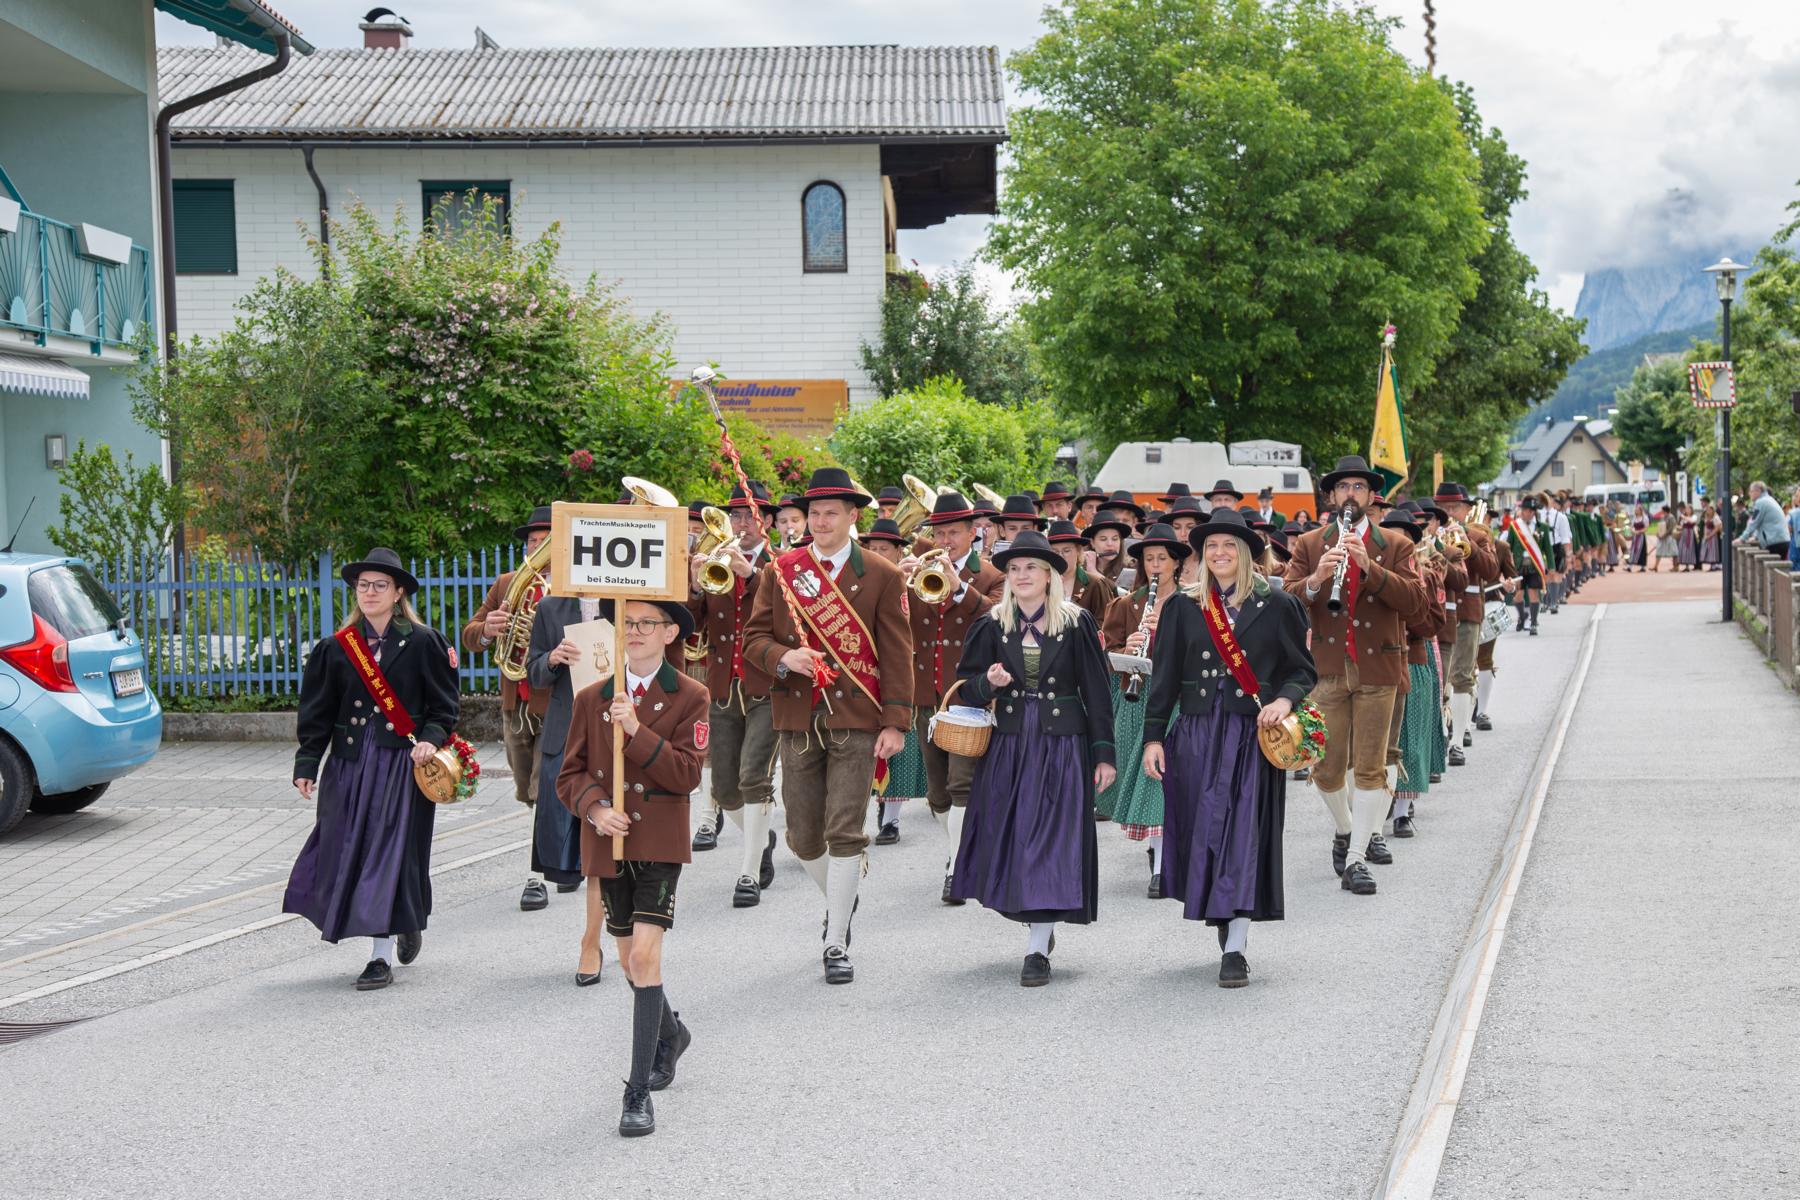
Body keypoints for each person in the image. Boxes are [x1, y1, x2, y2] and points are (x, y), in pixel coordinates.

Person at [742, 467, 914, 985]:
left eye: (829, 513)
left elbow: (896, 653)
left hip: (858, 721)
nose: (819, 521)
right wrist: (784, 656)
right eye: (813, 513)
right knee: (801, 837)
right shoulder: (782, 569)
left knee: (845, 830)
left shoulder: (883, 575)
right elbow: (751, 640)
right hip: (797, 720)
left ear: (852, 517)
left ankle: (835, 939)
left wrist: (897, 722)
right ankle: (842, 899)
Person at [556, 598, 708, 1138]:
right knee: (627, 961)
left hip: (660, 841)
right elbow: (568, 774)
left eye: (648, 623)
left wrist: (637, 730)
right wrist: (594, 807)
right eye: (628, 623)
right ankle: (672, 1034)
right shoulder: (591, 695)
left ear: (670, 634)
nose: (636, 632)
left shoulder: (691, 695)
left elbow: (687, 774)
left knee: (645, 955)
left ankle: (637, 1091)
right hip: (609, 844)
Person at [1143, 510, 1314, 986]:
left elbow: (1301, 670)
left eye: (1228, 546)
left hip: (1249, 735)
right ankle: (1222, 916)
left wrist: (1283, 700)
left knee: (1243, 834)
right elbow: (1162, 681)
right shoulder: (1182, 607)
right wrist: (1153, 738)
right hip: (1196, 735)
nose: (1218, 554)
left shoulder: (1277, 604)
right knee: (1205, 832)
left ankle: (1236, 944)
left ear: (1245, 552)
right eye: (1211, 546)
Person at [286, 548, 459, 990]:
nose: (369, 592)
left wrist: (429, 741)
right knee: (349, 849)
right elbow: (317, 713)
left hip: (401, 766)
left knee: (389, 852)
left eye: (379, 585)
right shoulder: (336, 648)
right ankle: (401, 921)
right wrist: (308, 762)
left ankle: (380, 955)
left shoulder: (424, 642)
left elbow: (443, 708)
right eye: (363, 585)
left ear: (398, 592)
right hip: (349, 764)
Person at [950, 531, 1116, 986]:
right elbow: (965, 687)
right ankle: (1034, 923)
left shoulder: (1076, 622)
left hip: (1062, 743)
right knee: (1015, 836)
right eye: (1015, 569)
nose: (1022, 576)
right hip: (1008, 745)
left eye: (1032, 568)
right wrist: (990, 682)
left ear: (1049, 575)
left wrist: (1105, 754)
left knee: (1052, 838)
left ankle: (1037, 947)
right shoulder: (990, 625)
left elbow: (1098, 692)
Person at [1281, 456, 1426, 896]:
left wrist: (1371, 568)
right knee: (1325, 769)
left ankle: (1358, 857)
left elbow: (1416, 604)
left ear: (1370, 496)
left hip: (1378, 667)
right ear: (1331, 497)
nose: (1350, 495)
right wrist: (1315, 578)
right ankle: (1346, 830)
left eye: (1359, 488)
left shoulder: (1396, 544)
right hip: (1326, 669)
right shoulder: (1309, 543)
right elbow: (1284, 599)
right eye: (1343, 488)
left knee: (1369, 767)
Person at [900, 492, 1007, 901]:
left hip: (969, 694)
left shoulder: (992, 575)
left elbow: (997, 617)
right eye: (940, 532)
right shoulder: (917, 572)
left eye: (954, 532)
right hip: (927, 692)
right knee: (938, 791)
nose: (946, 540)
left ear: (973, 533)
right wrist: (899, 579)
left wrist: (959, 585)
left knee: (963, 786)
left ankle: (956, 866)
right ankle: (963, 851)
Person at [686, 481, 782, 904]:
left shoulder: (783, 564)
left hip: (768, 686)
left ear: (769, 522)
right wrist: (692, 586)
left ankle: (747, 874)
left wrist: (752, 574)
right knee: (724, 790)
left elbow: (792, 615)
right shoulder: (715, 562)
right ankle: (762, 839)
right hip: (724, 686)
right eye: (736, 516)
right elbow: (690, 628)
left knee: (753, 779)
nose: (742, 523)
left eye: (750, 515)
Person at [462, 506, 559, 912]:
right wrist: (487, 629)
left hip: (555, 700)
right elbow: (470, 634)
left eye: (545, 542)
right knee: (527, 789)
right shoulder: (506, 584)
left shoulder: (574, 585)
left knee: (543, 783)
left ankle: (535, 876)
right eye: (532, 543)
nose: (536, 548)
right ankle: (563, 852)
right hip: (514, 700)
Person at [1099, 523, 1189, 894]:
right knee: (1143, 775)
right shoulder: (1125, 604)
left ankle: (1163, 862)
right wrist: (1129, 647)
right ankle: (1158, 851)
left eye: (1162, 559)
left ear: (1176, 564)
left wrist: (1165, 634)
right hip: (1136, 695)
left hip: (1177, 698)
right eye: (1148, 559)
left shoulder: (1191, 601)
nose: (1155, 565)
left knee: (1164, 776)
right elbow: (1105, 656)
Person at [861, 519, 929, 842]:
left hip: (899, 670)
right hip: (864, 670)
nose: (876, 554)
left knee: (900, 748)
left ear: (899, 551)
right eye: (871, 549)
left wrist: (905, 579)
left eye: (883, 549)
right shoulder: (858, 577)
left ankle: (891, 819)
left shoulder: (913, 581)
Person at [1432, 483, 1497, 764]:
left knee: (1461, 676)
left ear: (1466, 510)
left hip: (1467, 611)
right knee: (1438, 680)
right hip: (1439, 613)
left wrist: (1470, 547)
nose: (1449, 513)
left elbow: (1491, 570)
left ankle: (1457, 741)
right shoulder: (1429, 537)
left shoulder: (1477, 536)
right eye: (1443, 508)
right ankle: (1441, 736)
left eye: (1454, 508)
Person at [1048, 519, 1114, 625]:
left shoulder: (1095, 584)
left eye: (1066, 550)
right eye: (1055, 552)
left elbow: (1108, 624)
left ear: (1078, 551)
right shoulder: (1043, 583)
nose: (1060, 556)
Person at [1737, 481, 1789, 554]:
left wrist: (1741, 539)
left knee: (1771, 565)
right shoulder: (1768, 499)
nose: (1749, 493)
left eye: (1751, 491)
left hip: (1774, 542)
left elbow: (1753, 522)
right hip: (1781, 540)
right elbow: (1762, 523)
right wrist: (1755, 536)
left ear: (1758, 491)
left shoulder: (1761, 502)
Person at [1628, 504, 1649, 570]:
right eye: (1635, 510)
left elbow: (1646, 528)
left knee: (1641, 550)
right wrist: (1632, 531)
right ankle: (1630, 566)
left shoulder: (1644, 518)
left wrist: (1639, 532)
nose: (1635, 511)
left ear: (1640, 511)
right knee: (1632, 550)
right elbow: (1631, 526)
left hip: (1641, 537)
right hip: (1635, 536)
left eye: (1637, 510)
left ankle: (1642, 566)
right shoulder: (1634, 518)